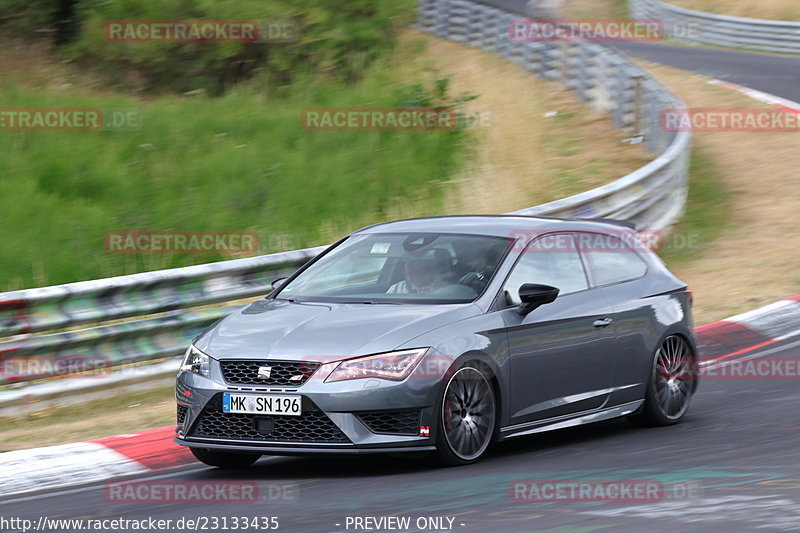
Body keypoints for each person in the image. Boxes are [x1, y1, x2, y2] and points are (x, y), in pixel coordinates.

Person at [386, 248, 454, 295]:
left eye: (413, 264)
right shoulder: (396, 288)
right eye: (407, 264)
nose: (408, 268)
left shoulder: (447, 290)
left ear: (427, 266)